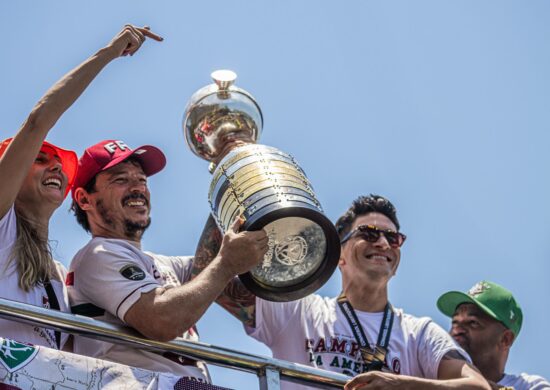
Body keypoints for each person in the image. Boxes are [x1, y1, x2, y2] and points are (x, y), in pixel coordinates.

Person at [193, 194, 490, 389]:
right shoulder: (299, 312)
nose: (383, 244)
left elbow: (477, 387)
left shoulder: (419, 333)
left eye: (393, 238)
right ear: (338, 255)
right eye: (369, 234)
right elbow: (210, 274)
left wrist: (400, 385)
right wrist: (236, 180)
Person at [0, 24, 159, 350]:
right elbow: (37, 122)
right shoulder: (3, 229)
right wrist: (109, 53)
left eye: (60, 163)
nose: (56, 166)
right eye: (40, 159)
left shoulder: (57, 276)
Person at [67, 139, 268, 383]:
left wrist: (236, 175)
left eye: (142, 180)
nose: (138, 188)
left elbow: (246, 297)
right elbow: (161, 320)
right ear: (84, 199)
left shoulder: (163, 265)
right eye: (121, 179)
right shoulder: (98, 254)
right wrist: (226, 264)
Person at [437, 281, 550, 390]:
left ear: (506, 339)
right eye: (455, 322)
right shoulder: (428, 376)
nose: (457, 331)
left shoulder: (527, 386)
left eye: (473, 323)